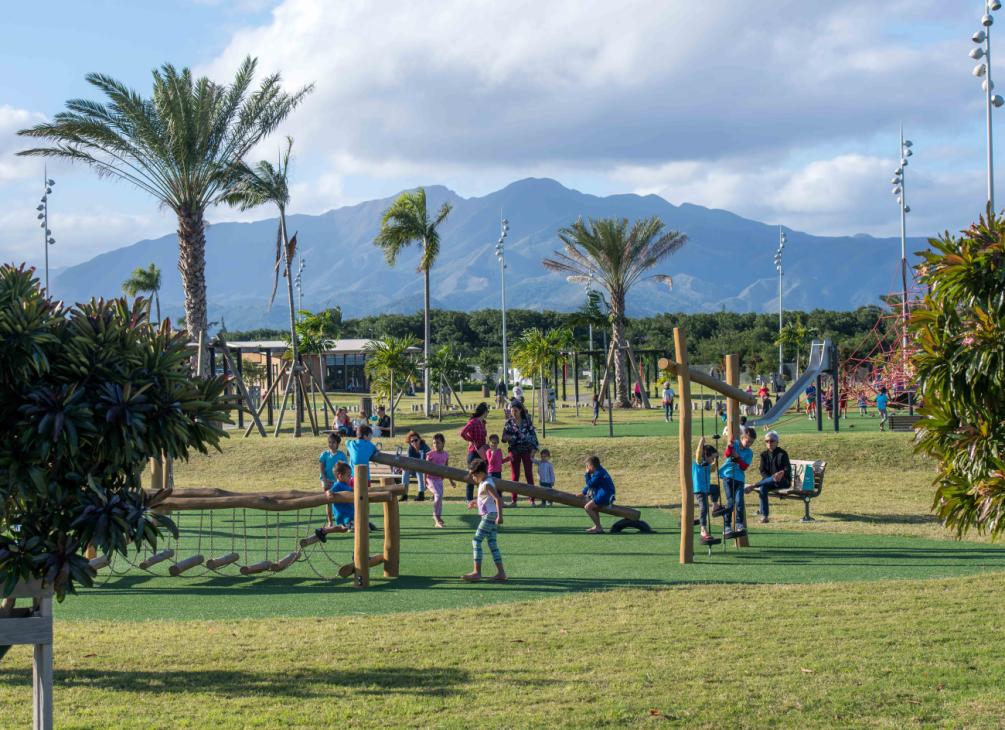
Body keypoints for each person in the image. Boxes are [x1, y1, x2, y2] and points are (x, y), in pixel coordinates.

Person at [462, 459, 506, 582]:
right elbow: (485, 500)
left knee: (476, 541)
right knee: (492, 544)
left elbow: (497, 499)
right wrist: (474, 503)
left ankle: (477, 572)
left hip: (489, 516)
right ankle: (501, 573)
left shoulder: (487, 483)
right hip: (489, 514)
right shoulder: (484, 482)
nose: (473, 478)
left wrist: (500, 516)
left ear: (481, 473)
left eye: (474, 475)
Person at [745, 430, 791, 524]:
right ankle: (765, 516)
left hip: (782, 481)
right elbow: (762, 470)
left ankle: (753, 485)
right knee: (763, 488)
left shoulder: (782, 454)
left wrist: (781, 473)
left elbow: (787, 469)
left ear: (777, 442)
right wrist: (769, 479)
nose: (769, 443)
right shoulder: (764, 455)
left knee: (771, 480)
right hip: (769, 481)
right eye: (767, 441)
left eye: (772, 441)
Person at [719, 425, 755, 540]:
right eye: (747, 441)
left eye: (751, 443)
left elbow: (744, 467)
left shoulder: (749, 453)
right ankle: (727, 526)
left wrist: (737, 457)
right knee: (730, 502)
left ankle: (739, 524)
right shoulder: (734, 444)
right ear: (742, 438)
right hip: (728, 476)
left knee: (739, 501)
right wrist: (730, 446)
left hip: (739, 479)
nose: (749, 444)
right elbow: (727, 454)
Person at [501, 401, 538, 506]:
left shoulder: (527, 421)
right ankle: (514, 500)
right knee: (515, 475)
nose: (514, 413)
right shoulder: (508, 423)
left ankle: (532, 499)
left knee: (528, 474)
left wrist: (534, 449)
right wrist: (511, 437)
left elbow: (533, 435)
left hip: (527, 450)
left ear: (520, 410)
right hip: (514, 450)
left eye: (516, 410)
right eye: (512, 411)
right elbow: (503, 438)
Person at [459, 402, 490, 502]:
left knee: (483, 477)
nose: (487, 413)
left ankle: (481, 499)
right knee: (471, 478)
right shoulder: (474, 422)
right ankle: (469, 500)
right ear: (484, 412)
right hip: (473, 452)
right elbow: (462, 432)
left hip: (482, 452)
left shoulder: (483, 423)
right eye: (487, 411)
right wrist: (471, 440)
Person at [693, 436, 720, 546]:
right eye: (711, 458)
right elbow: (698, 454)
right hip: (699, 490)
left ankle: (715, 505)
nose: (712, 461)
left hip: (706, 488)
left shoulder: (708, 465)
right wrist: (701, 443)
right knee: (704, 508)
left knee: (716, 489)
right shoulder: (700, 462)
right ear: (705, 456)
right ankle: (703, 528)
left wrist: (717, 459)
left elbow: (713, 468)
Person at [319, 432, 347, 527]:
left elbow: (345, 470)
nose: (331, 444)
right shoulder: (324, 455)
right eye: (329, 442)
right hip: (326, 480)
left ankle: (343, 521)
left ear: (337, 443)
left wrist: (339, 482)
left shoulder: (341, 455)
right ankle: (330, 521)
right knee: (329, 501)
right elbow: (322, 469)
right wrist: (325, 479)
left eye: (333, 442)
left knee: (340, 500)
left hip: (337, 481)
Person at [582, 455, 615, 534]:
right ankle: (597, 526)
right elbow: (593, 485)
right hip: (606, 494)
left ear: (591, 466)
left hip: (605, 495)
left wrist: (587, 474)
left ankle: (598, 527)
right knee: (593, 508)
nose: (586, 468)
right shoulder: (600, 471)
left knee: (588, 507)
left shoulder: (598, 473)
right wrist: (583, 492)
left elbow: (590, 484)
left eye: (587, 466)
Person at [425, 433, 450, 528]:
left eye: (438, 443)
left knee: (440, 498)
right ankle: (436, 518)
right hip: (430, 479)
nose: (435, 445)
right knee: (438, 495)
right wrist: (424, 481)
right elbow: (425, 468)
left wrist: (451, 481)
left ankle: (438, 517)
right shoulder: (430, 454)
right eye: (434, 443)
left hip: (439, 480)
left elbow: (448, 469)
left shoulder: (446, 454)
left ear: (443, 443)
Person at [400, 431, 430, 502]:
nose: (414, 442)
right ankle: (404, 494)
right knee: (405, 470)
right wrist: (405, 466)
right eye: (412, 441)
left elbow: (426, 462)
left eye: (416, 440)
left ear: (419, 440)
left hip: (425, 470)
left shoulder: (424, 447)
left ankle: (421, 494)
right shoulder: (410, 448)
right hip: (414, 468)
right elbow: (409, 461)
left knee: (419, 470)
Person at [326, 461, 355, 531]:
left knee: (366, 525)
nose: (350, 477)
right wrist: (329, 493)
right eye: (348, 475)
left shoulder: (346, 485)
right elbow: (329, 492)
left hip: (351, 515)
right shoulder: (337, 485)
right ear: (340, 476)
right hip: (345, 517)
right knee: (362, 528)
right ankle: (345, 526)